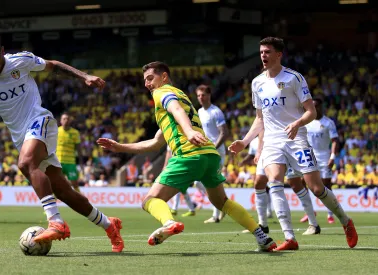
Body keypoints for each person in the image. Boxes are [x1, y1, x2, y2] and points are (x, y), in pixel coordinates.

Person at [0, 31, 123, 252]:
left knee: (25, 164)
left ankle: (56, 222)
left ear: (2, 51)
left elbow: (53, 65)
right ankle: (110, 225)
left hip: (39, 120)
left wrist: (84, 76)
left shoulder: (21, 60)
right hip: (20, 136)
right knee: (63, 191)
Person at [97, 61, 276, 252]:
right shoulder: (182, 96)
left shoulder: (162, 92)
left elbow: (176, 109)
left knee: (149, 200)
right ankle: (262, 237)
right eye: (145, 80)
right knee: (222, 202)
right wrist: (120, 147)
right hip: (209, 155)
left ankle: (168, 223)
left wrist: (189, 132)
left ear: (163, 77)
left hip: (189, 154)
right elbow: (155, 142)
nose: (147, 84)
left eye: (150, 78)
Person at [229, 37, 357, 250]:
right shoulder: (257, 82)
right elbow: (260, 119)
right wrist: (245, 140)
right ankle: (290, 238)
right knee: (274, 181)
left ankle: (345, 221)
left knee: (316, 188)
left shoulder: (294, 78)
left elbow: (311, 111)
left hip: (296, 138)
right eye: (261, 52)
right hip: (272, 141)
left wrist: (297, 123)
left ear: (279, 54)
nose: (263, 55)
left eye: (268, 52)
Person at [240, 134, 321, 236]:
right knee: (258, 182)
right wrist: (258, 150)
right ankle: (262, 225)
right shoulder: (256, 138)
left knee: (296, 184)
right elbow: (261, 125)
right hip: (267, 150)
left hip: (284, 144)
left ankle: (313, 224)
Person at [296, 98, 339, 224]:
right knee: (302, 182)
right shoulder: (306, 121)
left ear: (321, 107)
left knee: (326, 185)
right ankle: (310, 211)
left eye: (317, 106)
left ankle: (330, 213)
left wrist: (332, 157)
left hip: (324, 156)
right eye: (313, 107)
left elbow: (335, 141)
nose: (315, 109)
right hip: (309, 155)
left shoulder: (328, 123)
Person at [195, 85, 229, 223]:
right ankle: (223, 203)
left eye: (203, 95)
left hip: (216, 152)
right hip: (205, 151)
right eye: (198, 95)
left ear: (209, 95)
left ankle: (216, 215)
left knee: (211, 181)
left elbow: (224, 133)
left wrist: (214, 148)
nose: (201, 98)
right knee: (198, 183)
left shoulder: (216, 112)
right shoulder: (199, 111)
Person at [168, 147, 197, 217]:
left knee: (177, 187)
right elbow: (169, 155)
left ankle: (174, 209)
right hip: (178, 166)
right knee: (183, 190)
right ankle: (191, 209)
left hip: (182, 167)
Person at [56, 112, 82, 192]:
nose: (66, 120)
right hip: (58, 162)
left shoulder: (75, 133)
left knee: (74, 183)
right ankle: (52, 203)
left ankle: (80, 200)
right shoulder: (56, 131)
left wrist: (81, 163)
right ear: (61, 121)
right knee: (55, 183)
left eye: (68, 119)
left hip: (70, 162)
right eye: (64, 119)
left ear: (70, 121)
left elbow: (78, 149)